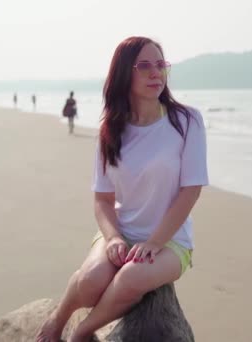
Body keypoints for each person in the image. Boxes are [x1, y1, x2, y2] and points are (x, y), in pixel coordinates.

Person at [36, 36, 208, 342]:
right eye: (144, 66)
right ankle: (58, 317)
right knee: (90, 282)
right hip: (121, 232)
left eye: (161, 65)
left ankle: (82, 332)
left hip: (171, 242)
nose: (156, 73)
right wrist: (113, 237)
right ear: (124, 73)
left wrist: (155, 243)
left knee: (131, 277)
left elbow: (191, 191)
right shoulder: (110, 131)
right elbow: (102, 199)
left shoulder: (186, 121)